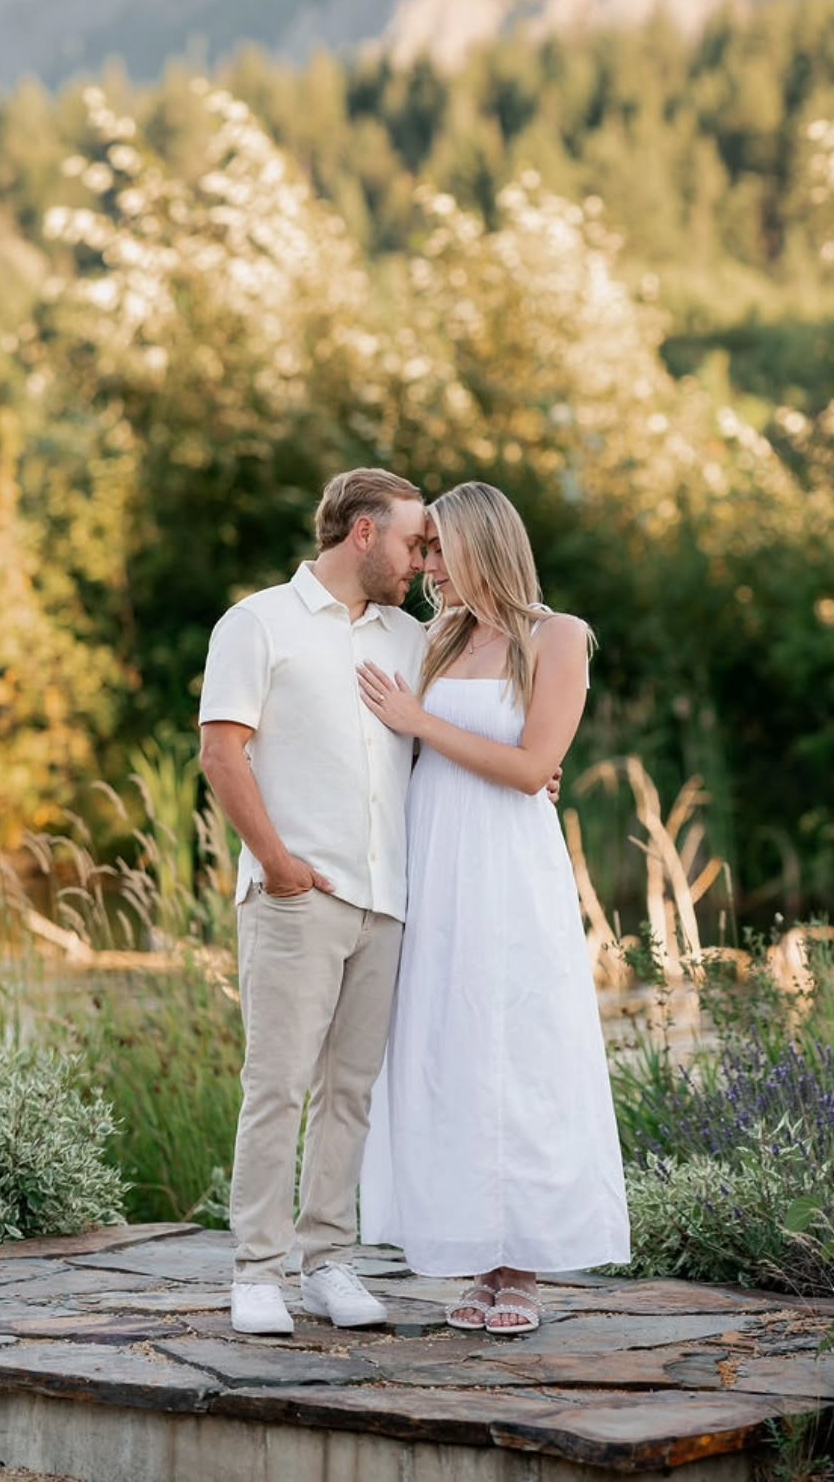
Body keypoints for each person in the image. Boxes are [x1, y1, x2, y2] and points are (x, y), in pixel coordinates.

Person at [357, 481, 630, 1333]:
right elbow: (403, 751)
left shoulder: (557, 636)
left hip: (509, 867)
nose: (427, 565)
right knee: (453, 1048)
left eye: (438, 548)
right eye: (423, 549)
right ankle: (478, 1259)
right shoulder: (436, 637)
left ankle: (525, 1269)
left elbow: (531, 768)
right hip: (435, 861)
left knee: (520, 1049)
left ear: (481, 544)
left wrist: (421, 722)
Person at [199, 467, 429, 1335]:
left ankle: (328, 1262)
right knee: (278, 1086)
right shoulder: (258, 622)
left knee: (351, 1094)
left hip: (386, 900)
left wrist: (536, 765)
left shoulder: (411, 639)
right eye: (413, 543)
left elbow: (445, 739)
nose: (421, 562)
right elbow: (222, 752)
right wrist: (278, 865)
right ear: (363, 532)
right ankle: (257, 1272)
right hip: (299, 898)